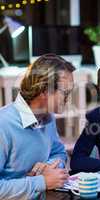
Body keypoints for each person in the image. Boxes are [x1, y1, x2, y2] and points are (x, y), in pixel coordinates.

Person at [0, 53, 75, 199]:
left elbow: (59, 152)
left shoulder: (47, 117)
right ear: (44, 91)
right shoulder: (3, 125)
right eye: (65, 93)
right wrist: (42, 181)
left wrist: (49, 167)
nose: (68, 99)